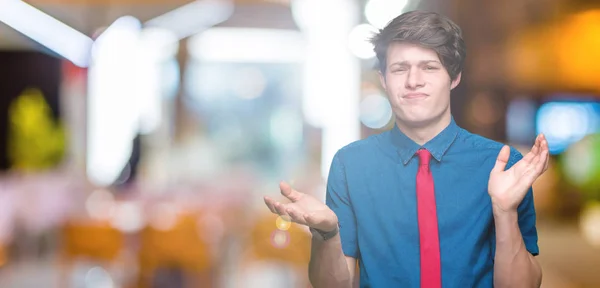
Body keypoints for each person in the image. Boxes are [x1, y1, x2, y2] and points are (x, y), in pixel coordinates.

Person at [264, 10, 548, 288]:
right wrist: (326, 234)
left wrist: (505, 211)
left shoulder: (501, 164)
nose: (413, 81)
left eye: (429, 67)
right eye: (400, 68)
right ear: (384, 79)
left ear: (454, 77)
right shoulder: (351, 165)